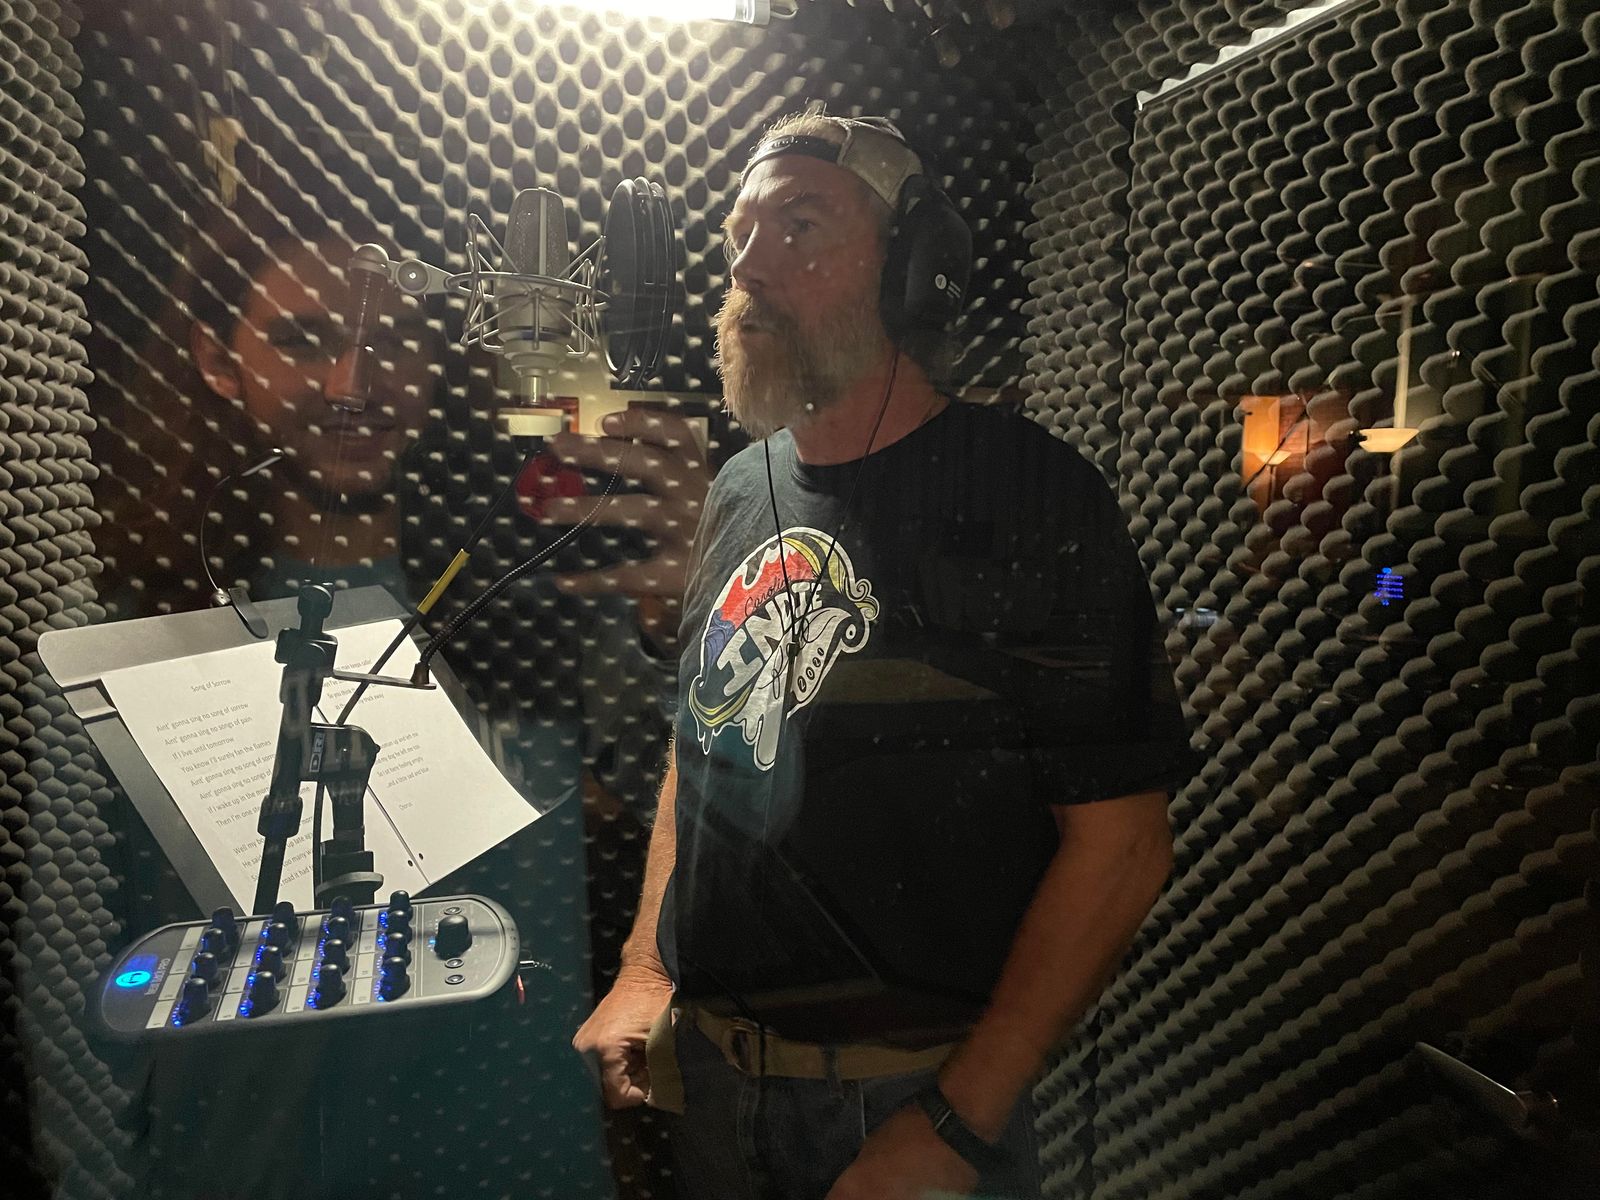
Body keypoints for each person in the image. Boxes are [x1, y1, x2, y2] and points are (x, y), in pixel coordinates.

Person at [573, 109, 1190, 1200]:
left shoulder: (1028, 491)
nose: (748, 267)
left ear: (914, 270)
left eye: (800, 226)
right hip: (708, 1076)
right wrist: (644, 967)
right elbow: (708, 737)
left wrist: (957, 1123)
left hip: (905, 1099)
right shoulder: (740, 485)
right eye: (740, 235)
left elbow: (1123, 846)